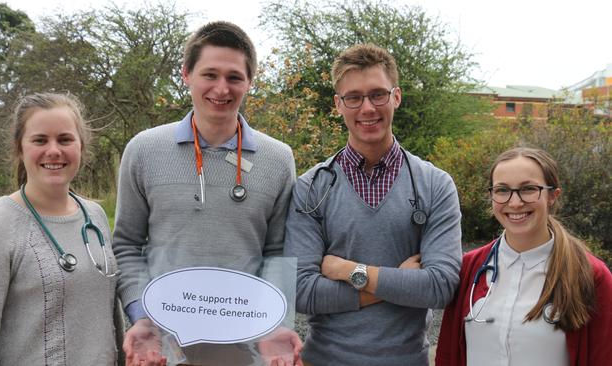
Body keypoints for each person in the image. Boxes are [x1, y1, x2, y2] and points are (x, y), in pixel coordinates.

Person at [113, 21, 302, 366]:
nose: (221, 88)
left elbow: (277, 251)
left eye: (234, 77)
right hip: (163, 349)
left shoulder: (279, 159)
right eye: (209, 74)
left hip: (246, 349)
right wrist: (143, 315)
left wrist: (275, 323)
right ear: (186, 74)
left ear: (249, 82)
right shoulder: (143, 150)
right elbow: (126, 244)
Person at [284, 43, 462, 365]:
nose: (367, 108)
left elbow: (440, 286)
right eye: (354, 97)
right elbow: (302, 292)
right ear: (338, 105)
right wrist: (393, 281)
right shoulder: (312, 188)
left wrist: (348, 270)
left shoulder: (435, 185)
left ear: (396, 96)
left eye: (377, 94)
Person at [0, 92, 120, 365]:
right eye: (40, 140)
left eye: (65, 139)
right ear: (20, 148)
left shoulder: (94, 216)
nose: (54, 150)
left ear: (81, 146)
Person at [435, 147, 612, 366]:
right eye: (502, 190)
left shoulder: (591, 275)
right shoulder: (468, 268)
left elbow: (603, 357)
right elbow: (447, 355)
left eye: (528, 189)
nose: (515, 202)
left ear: (553, 196)